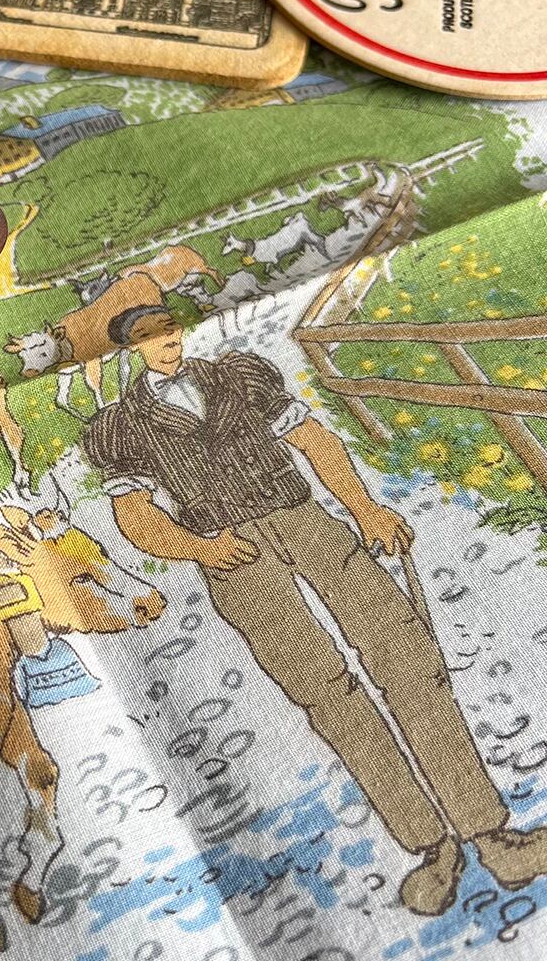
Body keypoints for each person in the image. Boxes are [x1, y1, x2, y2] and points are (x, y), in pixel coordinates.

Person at [82, 303, 547, 915]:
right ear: (128, 351)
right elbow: (134, 514)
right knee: (325, 693)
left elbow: (313, 440)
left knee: (407, 658)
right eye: (148, 337)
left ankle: (489, 833)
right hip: (233, 557)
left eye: (169, 328)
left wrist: (365, 509)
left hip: (306, 523)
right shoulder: (121, 427)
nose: (165, 341)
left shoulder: (239, 375)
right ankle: (431, 847)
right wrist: (198, 548)